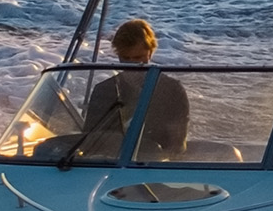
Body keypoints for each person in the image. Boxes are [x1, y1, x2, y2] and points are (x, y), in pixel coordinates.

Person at [63, 19, 189, 161]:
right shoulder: (103, 90)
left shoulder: (173, 90)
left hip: (156, 167)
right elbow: (92, 142)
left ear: (150, 52)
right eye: (125, 58)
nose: (132, 65)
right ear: (118, 55)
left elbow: (177, 146)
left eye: (138, 58)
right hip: (111, 166)